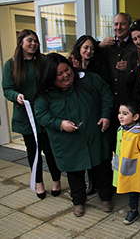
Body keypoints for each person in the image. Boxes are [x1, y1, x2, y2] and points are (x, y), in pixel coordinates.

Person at [34, 53, 114, 217]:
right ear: (50, 78)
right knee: (74, 174)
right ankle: (78, 201)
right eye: (59, 74)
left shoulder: (89, 79)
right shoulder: (45, 94)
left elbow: (106, 93)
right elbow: (41, 114)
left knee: (103, 168)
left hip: (94, 133)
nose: (65, 76)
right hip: (67, 141)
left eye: (67, 70)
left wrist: (106, 115)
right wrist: (59, 124)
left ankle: (106, 197)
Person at [2, 29, 61, 200]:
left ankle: (56, 179)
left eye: (35, 41)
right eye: (30, 40)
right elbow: (7, 89)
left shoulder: (43, 61)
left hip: (45, 114)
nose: (33, 44)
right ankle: (39, 182)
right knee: (33, 151)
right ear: (21, 42)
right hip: (25, 116)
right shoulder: (11, 64)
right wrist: (16, 96)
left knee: (50, 150)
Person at [69, 34, 112, 195]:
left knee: (99, 154)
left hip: (97, 112)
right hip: (78, 115)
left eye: (92, 48)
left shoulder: (99, 64)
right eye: (85, 48)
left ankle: (103, 187)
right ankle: (91, 184)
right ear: (78, 48)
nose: (89, 51)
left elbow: (103, 87)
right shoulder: (70, 65)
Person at [113, 100, 140, 230]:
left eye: (125, 114)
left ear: (135, 117)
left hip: (138, 171)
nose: (120, 116)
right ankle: (133, 210)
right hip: (125, 169)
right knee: (130, 190)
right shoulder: (121, 129)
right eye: (120, 113)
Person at [100, 12, 139, 150]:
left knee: (130, 145)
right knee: (113, 143)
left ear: (128, 25)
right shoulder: (107, 45)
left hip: (129, 103)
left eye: (122, 24)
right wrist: (99, 45)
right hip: (111, 104)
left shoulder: (135, 44)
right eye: (116, 24)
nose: (119, 27)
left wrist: (130, 66)